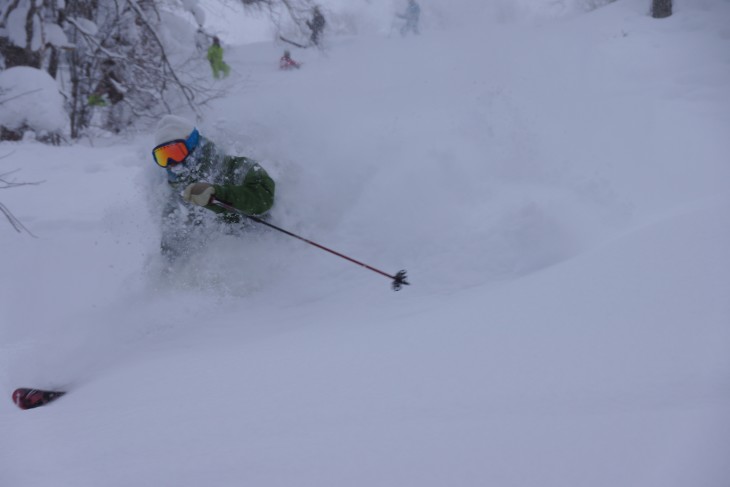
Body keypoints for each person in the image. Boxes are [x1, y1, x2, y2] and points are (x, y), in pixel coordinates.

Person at [152, 115, 275, 263]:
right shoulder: (177, 196)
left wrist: (218, 194)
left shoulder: (238, 168)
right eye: (163, 156)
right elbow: (171, 248)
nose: (171, 163)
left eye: (175, 152)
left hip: (260, 259)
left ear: (193, 145)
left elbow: (264, 199)